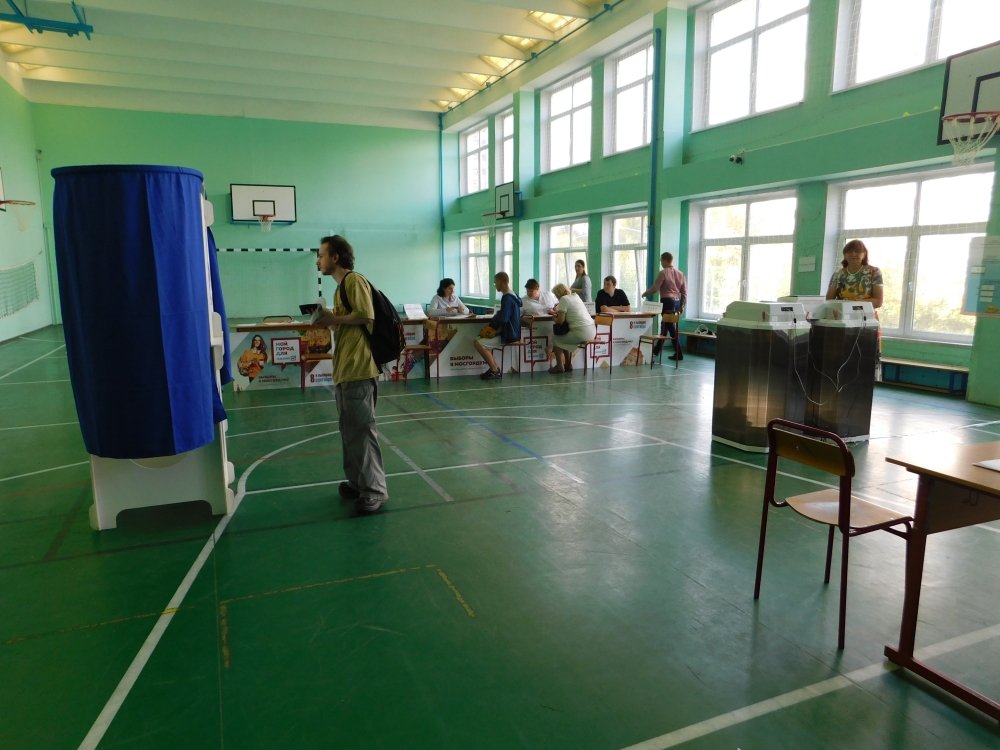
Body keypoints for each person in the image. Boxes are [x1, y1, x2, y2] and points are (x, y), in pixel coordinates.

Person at [311, 235, 388, 514]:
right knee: (348, 430)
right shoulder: (339, 289)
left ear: (335, 257)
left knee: (362, 430)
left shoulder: (354, 281)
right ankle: (357, 482)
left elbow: (366, 316)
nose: (318, 260)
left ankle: (375, 490)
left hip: (359, 369)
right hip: (345, 370)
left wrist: (335, 318)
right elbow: (347, 325)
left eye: (321, 255)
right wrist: (329, 319)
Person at [473, 271, 522, 380]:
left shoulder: (507, 298)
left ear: (503, 282)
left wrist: (496, 331)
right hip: (514, 332)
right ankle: (494, 368)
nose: (495, 285)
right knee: (480, 340)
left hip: (509, 334)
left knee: (478, 343)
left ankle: (494, 370)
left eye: (496, 283)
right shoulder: (514, 294)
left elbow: (504, 319)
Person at [642, 251, 687, 361]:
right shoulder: (680, 274)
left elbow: (655, 288)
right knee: (665, 326)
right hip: (676, 302)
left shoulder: (663, 273)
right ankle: (656, 351)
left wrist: (645, 293)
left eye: (661, 261)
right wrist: (682, 305)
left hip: (667, 302)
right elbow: (684, 292)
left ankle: (679, 353)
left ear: (665, 260)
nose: (661, 263)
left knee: (670, 328)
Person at [547, 283, 596, 374]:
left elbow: (561, 321)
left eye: (555, 294)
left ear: (558, 293)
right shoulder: (575, 296)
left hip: (581, 332)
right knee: (564, 337)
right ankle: (568, 365)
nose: (556, 297)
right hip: (592, 330)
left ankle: (559, 366)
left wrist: (554, 318)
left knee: (556, 339)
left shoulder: (564, 299)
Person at [826, 239, 884, 308]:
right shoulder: (837, 274)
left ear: (864, 254)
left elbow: (878, 302)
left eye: (857, 251)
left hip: (866, 316)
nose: (853, 254)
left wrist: (852, 305)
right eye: (849, 252)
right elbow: (829, 300)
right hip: (841, 315)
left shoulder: (874, 272)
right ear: (844, 255)